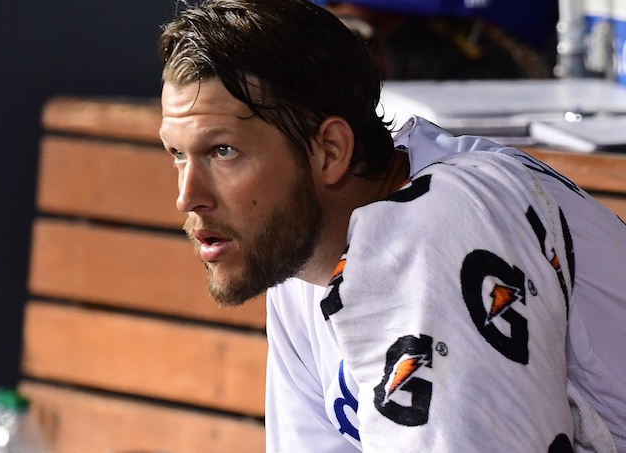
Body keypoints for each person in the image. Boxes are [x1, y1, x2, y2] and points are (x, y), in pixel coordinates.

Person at [157, 0, 626, 451]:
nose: (187, 196)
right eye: (177, 153)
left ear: (331, 151)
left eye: (223, 152)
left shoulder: (443, 227)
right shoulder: (299, 258)